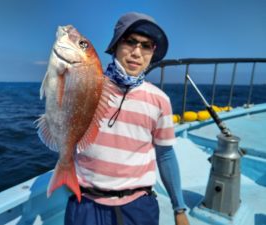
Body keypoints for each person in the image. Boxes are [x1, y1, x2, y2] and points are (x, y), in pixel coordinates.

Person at [65, 12, 190, 225]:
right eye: (130, 42)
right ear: (115, 45)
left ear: (153, 52)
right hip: (84, 202)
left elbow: (165, 154)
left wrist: (179, 208)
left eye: (146, 46)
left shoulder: (160, 100)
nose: (136, 52)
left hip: (137, 207)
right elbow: (66, 135)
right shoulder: (85, 89)